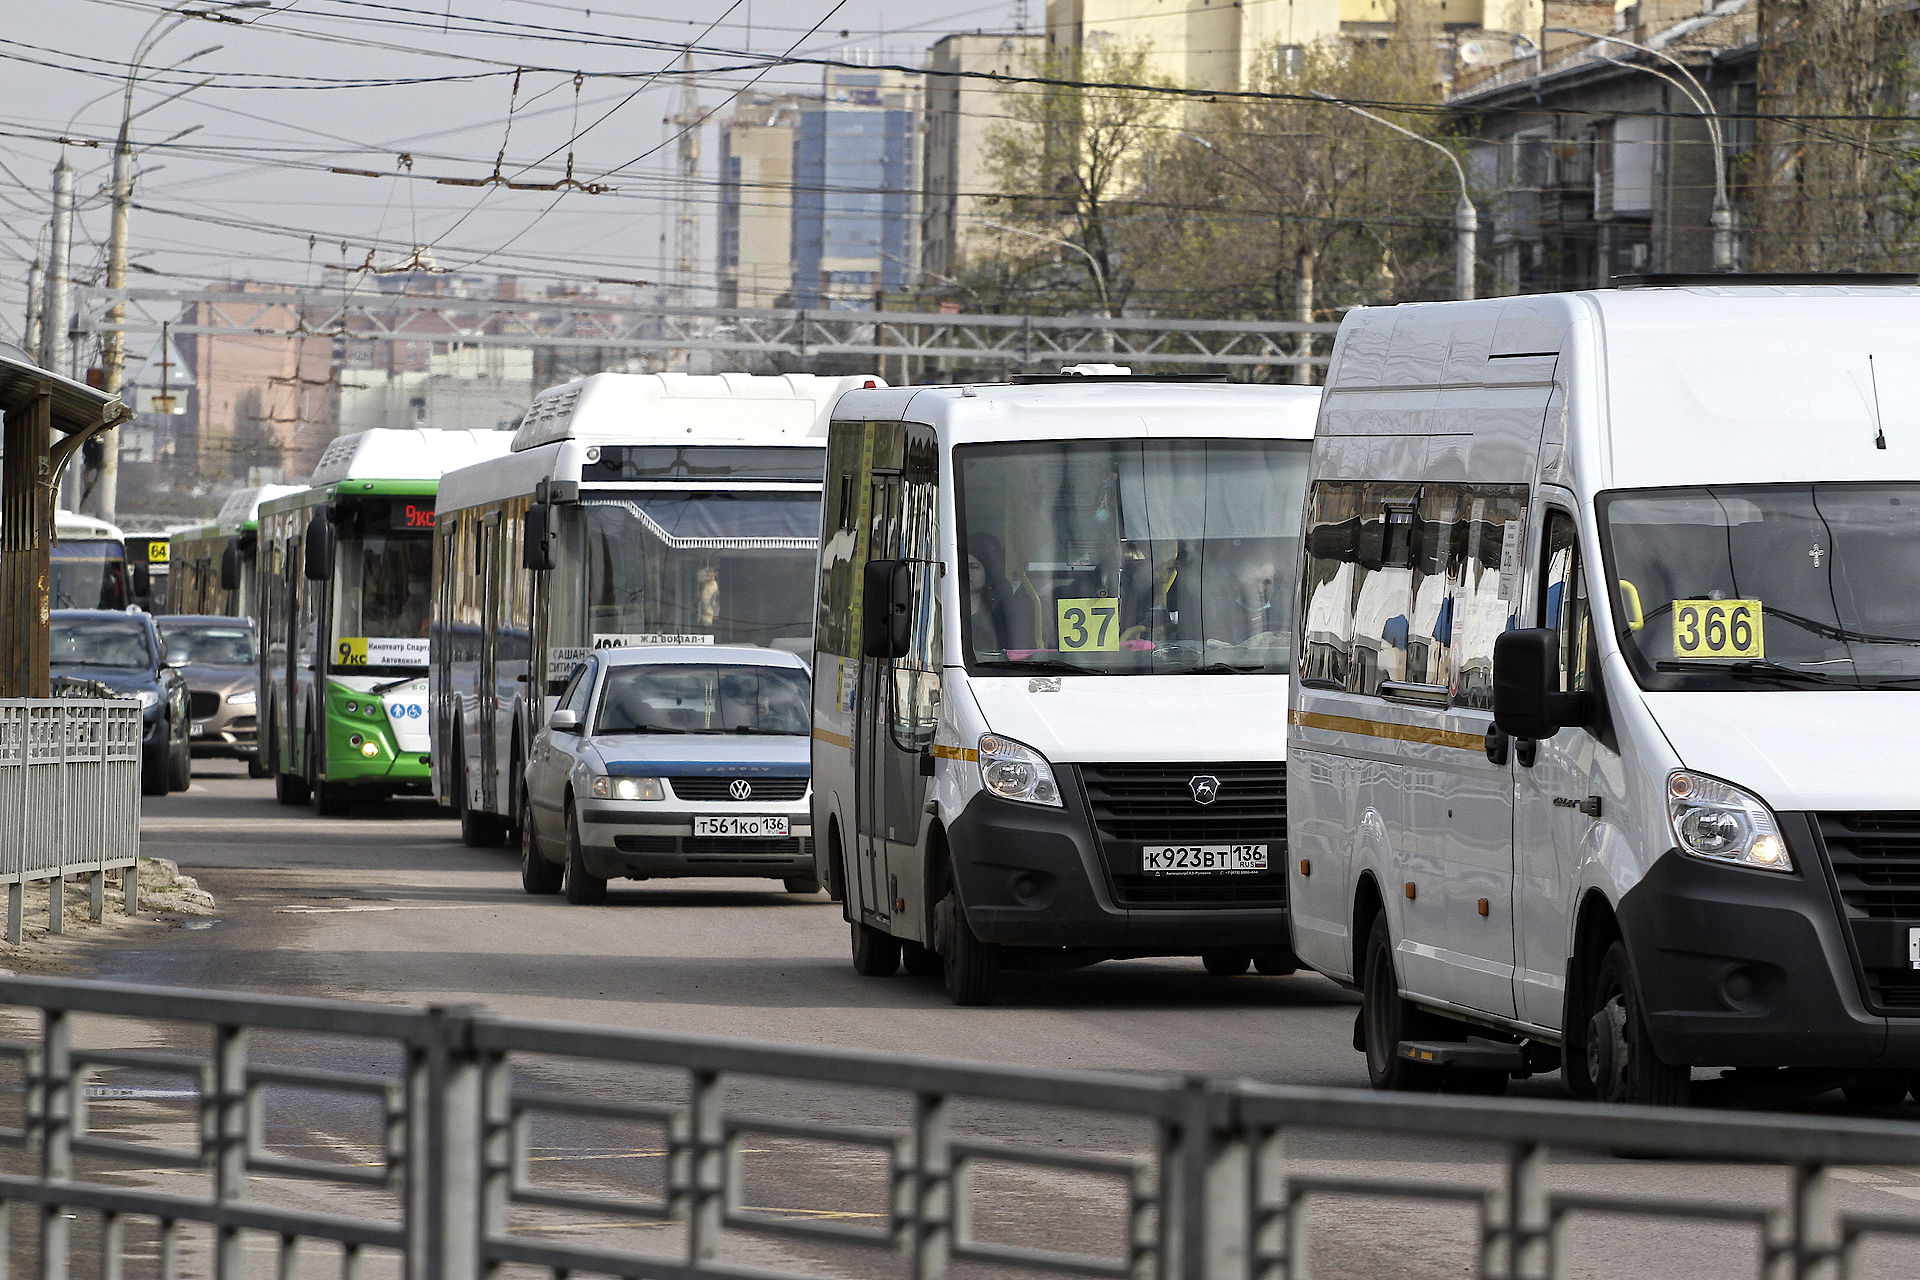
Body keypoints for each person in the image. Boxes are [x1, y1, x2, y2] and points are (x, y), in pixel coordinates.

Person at [965, 534, 1012, 658]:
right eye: (963, 566)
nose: (968, 572)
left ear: (986, 572)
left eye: (974, 567)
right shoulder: (943, 613)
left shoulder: (1000, 615)